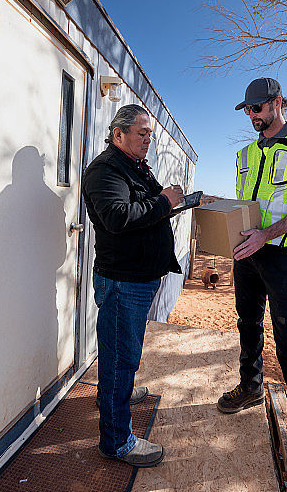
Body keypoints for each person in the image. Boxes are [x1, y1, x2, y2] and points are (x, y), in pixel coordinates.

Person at [217, 78, 287, 480]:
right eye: (248, 109)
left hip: (283, 258)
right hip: (247, 254)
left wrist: (268, 234)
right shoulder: (245, 154)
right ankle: (249, 386)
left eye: (259, 108)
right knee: (247, 324)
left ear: (279, 102)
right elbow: (247, 204)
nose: (253, 115)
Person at [81, 104, 184, 468]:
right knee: (121, 359)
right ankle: (116, 442)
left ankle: (113, 396)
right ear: (118, 133)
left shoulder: (134, 168)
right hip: (123, 283)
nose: (148, 140)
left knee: (121, 355)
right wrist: (163, 201)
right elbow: (118, 217)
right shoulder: (105, 170)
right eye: (142, 133)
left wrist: (173, 202)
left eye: (150, 134)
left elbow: (148, 208)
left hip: (137, 279)